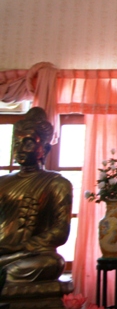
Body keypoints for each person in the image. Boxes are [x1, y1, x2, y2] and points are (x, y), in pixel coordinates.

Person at [0, 107, 73, 286]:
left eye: (29, 143)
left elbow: (60, 232)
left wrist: (21, 247)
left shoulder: (57, 183)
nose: (21, 149)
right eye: (17, 143)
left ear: (45, 148)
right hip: (3, 253)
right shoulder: (3, 182)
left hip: (29, 255)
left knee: (52, 264)